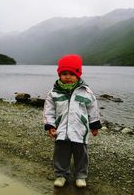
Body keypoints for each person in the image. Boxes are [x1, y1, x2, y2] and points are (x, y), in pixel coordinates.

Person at [43, 54, 102, 188]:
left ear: (78, 74)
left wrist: (94, 125)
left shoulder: (86, 92)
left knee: (81, 154)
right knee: (61, 154)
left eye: (71, 73)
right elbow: (49, 110)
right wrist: (50, 125)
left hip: (80, 131)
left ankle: (81, 176)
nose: (67, 76)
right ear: (59, 74)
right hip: (61, 130)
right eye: (64, 73)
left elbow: (93, 109)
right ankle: (61, 175)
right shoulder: (54, 93)